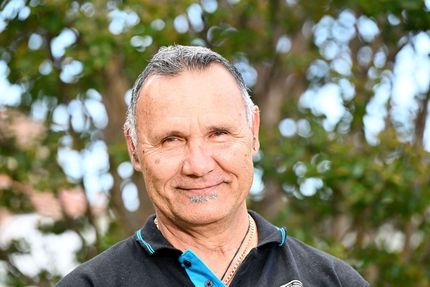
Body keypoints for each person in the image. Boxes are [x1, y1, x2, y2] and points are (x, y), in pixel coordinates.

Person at [57, 45, 369, 287]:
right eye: (171, 140)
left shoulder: (333, 280)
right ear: (134, 149)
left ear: (253, 132)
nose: (198, 165)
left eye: (218, 134)